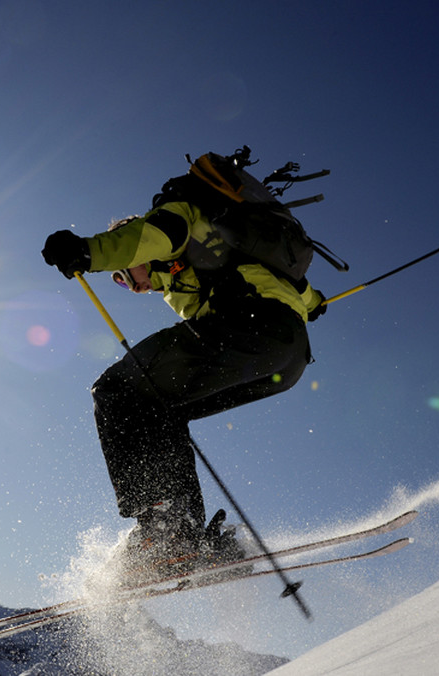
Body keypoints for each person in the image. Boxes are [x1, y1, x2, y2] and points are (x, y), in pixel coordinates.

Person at [41, 197, 327, 577]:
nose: (123, 283)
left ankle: (165, 530)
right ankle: (191, 536)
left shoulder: (178, 221)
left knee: (116, 390)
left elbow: (148, 237)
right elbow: (300, 291)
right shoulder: (196, 267)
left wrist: (88, 252)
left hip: (250, 326)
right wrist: (314, 302)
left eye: (123, 275)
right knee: (160, 408)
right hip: (286, 356)